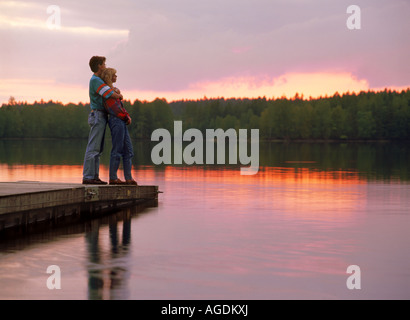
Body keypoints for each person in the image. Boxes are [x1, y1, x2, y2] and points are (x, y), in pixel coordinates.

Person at [82, 56, 123, 185]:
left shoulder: (98, 80)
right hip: (98, 115)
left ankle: (94, 176)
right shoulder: (95, 80)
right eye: (104, 64)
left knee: (98, 149)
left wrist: (114, 90)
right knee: (93, 148)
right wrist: (119, 95)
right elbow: (108, 93)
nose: (105, 66)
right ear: (99, 66)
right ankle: (88, 177)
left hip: (101, 115)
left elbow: (109, 89)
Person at [100, 67, 138, 185]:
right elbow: (114, 109)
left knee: (129, 150)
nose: (116, 77)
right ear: (109, 77)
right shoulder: (108, 92)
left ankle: (128, 178)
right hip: (116, 121)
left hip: (121, 121)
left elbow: (121, 107)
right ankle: (113, 178)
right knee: (117, 150)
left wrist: (127, 116)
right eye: (114, 75)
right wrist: (126, 117)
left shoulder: (115, 91)